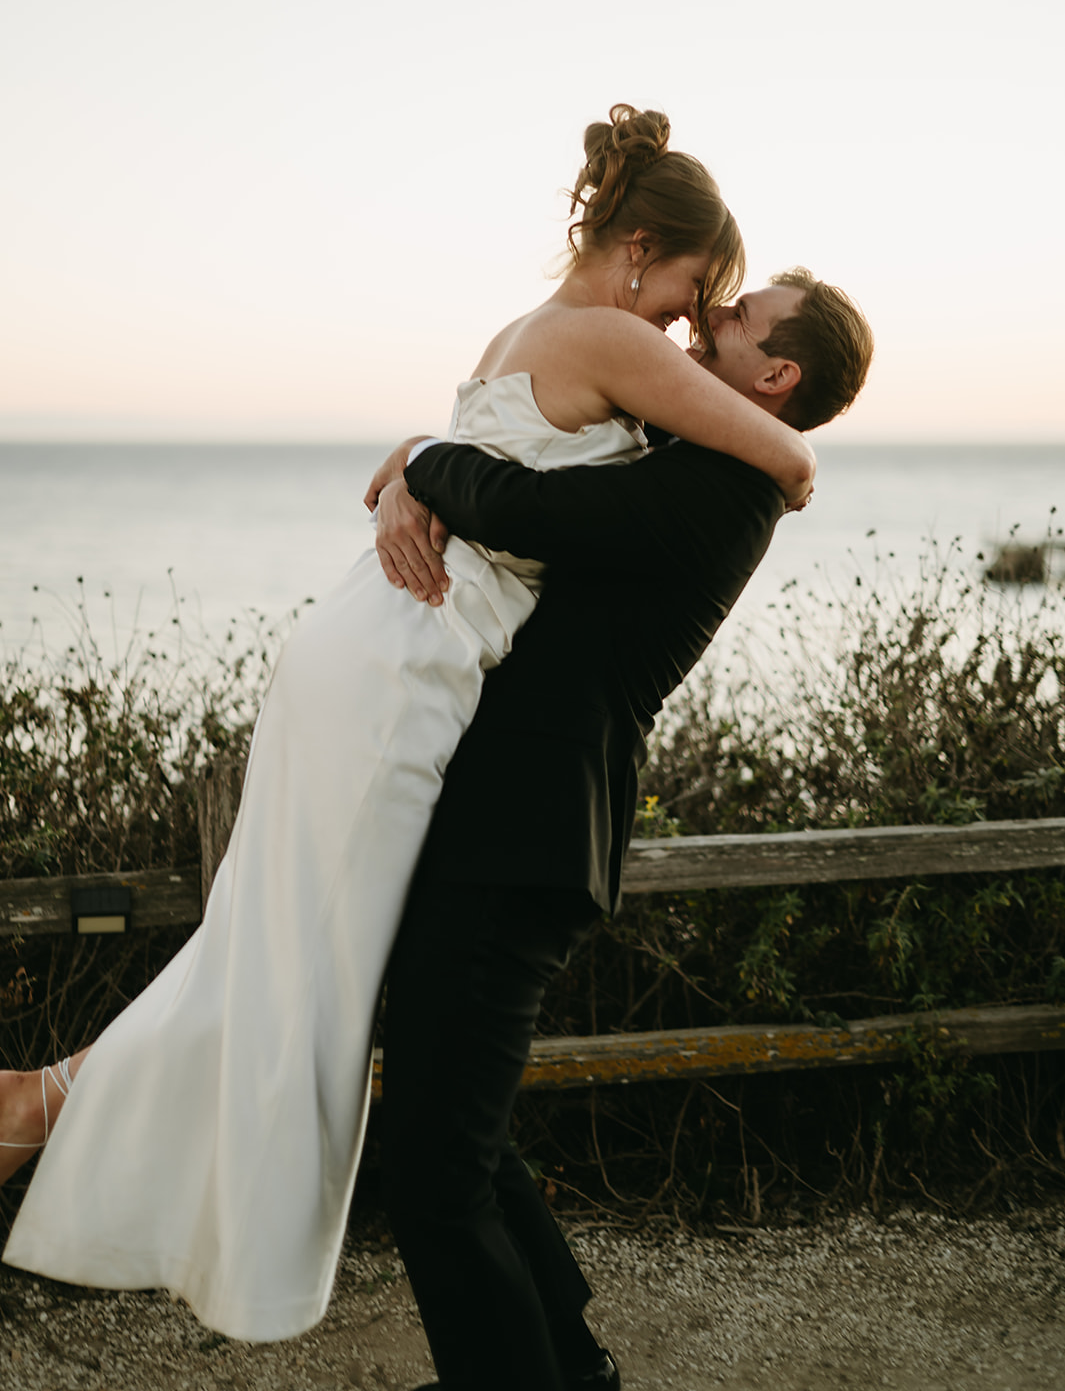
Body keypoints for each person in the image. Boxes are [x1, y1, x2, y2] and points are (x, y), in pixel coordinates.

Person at [0, 107, 815, 1343]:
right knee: (297, 970)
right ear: (642, 246)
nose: (687, 325)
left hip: (369, 642)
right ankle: (40, 1109)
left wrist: (424, 453)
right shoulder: (605, 333)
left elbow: (504, 461)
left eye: (714, 311)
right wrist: (801, 467)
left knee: (279, 952)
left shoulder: (532, 331)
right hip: (400, 666)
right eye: (697, 293)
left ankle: (39, 1103)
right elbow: (776, 456)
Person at [369, 268, 874, 1390]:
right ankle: (569, 1367)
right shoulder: (703, 458)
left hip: (527, 834)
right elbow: (535, 446)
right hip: (503, 826)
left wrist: (418, 461)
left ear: (776, 374)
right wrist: (424, 452)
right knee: (468, 1138)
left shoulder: (729, 488)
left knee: (432, 1171)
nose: (708, 319)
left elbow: (529, 509)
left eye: (738, 318)